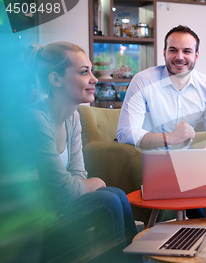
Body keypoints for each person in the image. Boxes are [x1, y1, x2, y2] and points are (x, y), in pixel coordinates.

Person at [20, 42, 141, 262]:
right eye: (84, 72)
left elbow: (77, 177)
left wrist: (92, 183)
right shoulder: (35, 119)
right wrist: (96, 183)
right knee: (108, 200)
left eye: (91, 71)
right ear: (55, 80)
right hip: (31, 227)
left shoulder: (73, 117)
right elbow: (63, 191)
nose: (94, 79)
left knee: (116, 195)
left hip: (57, 210)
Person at [117, 25, 206, 218]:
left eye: (187, 51)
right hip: (153, 160)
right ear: (164, 52)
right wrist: (170, 138)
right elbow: (125, 132)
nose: (179, 57)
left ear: (196, 55)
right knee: (197, 206)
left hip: (188, 161)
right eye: (173, 50)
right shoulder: (143, 81)